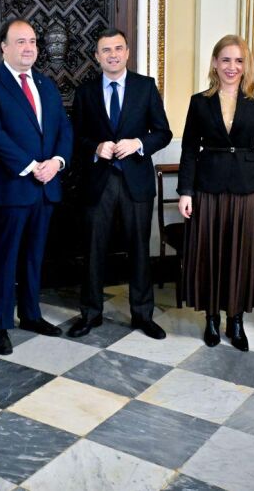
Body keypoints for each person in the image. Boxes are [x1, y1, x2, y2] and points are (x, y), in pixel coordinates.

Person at [0, 19, 73, 354]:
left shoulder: (46, 84)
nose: (28, 47)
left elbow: (63, 128)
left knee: (34, 256)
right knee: (4, 259)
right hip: (10, 188)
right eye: (20, 41)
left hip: (45, 187)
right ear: (4, 47)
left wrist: (56, 161)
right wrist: (31, 167)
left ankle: (31, 314)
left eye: (32, 41)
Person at [69, 28, 172, 340]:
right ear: (97, 56)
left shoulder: (145, 87)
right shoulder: (85, 92)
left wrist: (138, 143)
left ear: (127, 52)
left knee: (140, 249)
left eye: (118, 48)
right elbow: (76, 137)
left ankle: (143, 315)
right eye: (106, 50)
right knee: (93, 249)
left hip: (136, 181)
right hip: (98, 181)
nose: (112, 55)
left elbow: (163, 132)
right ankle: (90, 314)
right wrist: (95, 147)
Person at [177, 35, 254, 350]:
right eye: (226, 60)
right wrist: (185, 191)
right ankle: (211, 319)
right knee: (209, 254)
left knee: (240, 256)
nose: (232, 67)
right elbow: (189, 149)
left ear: (246, 64)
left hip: (248, 189)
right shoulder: (199, 101)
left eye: (239, 60)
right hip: (208, 188)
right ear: (215, 63)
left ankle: (236, 320)